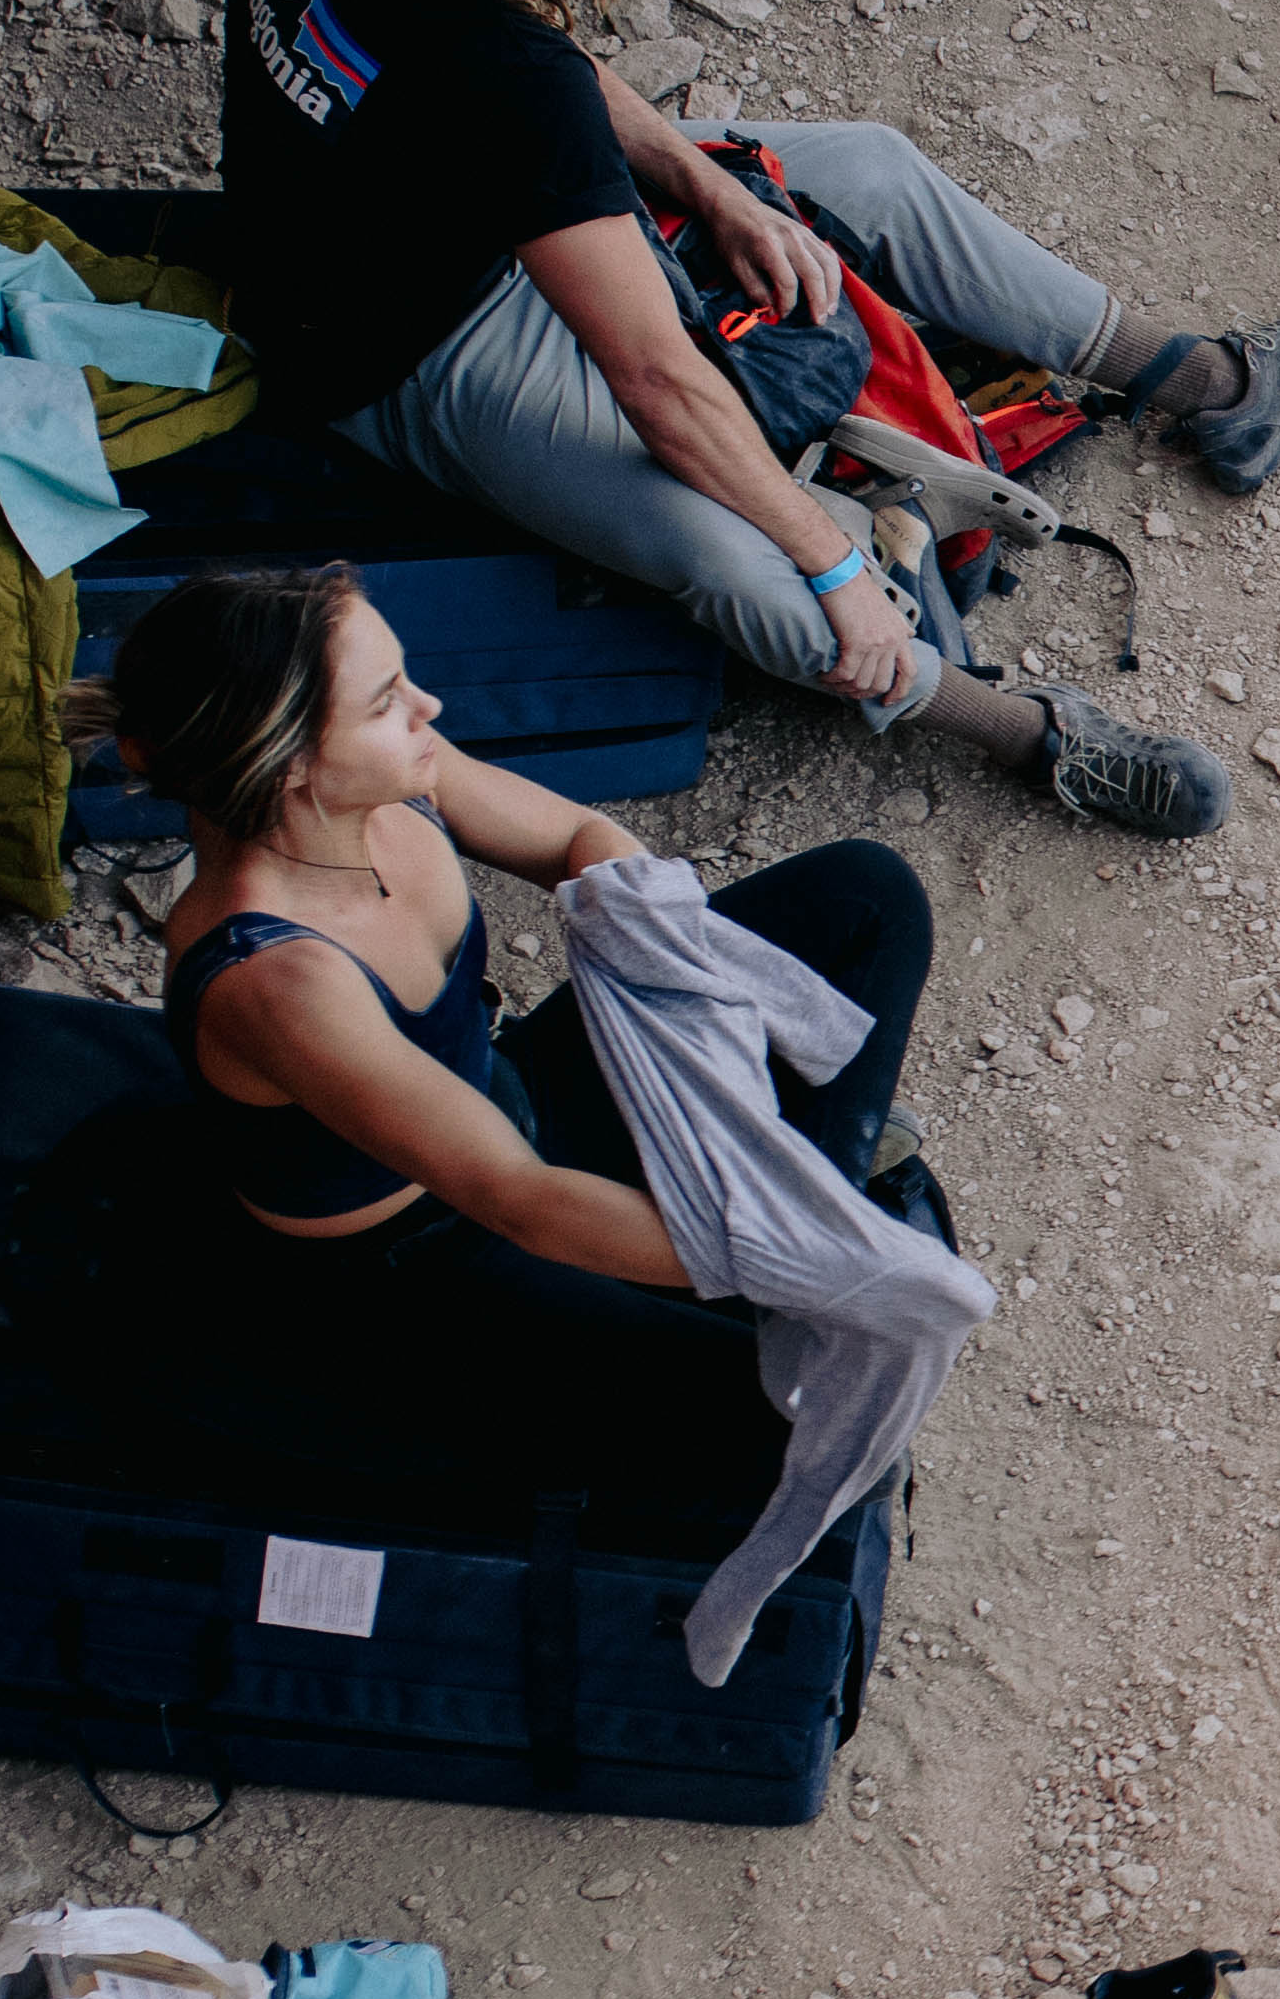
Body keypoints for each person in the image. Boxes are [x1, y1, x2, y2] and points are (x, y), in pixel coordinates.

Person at [223, 0, 1280, 839]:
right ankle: (1028, 734)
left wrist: (709, 187)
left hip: (444, 192)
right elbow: (658, 384)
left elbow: (536, 66)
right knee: (733, 554)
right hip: (402, 348)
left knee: (868, 168)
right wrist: (830, 566)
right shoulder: (504, 78)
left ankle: (1214, 387)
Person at [86, 561, 936, 1505]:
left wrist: (644, 918)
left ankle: (797, 1215)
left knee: (867, 896)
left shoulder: (394, 778)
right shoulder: (277, 979)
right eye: (386, 702)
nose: (427, 706)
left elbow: (577, 839)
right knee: (821, 1436)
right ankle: (791, 1234)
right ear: (290, 765)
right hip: (426, 1257)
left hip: (506, 1096)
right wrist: (802, 1260)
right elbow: (517, 1197)